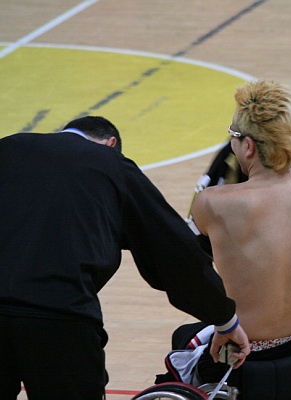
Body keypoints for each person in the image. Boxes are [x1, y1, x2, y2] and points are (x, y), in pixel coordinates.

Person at [0, 116, 249, 400]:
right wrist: (223, 318)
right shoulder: (111, 164)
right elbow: (173, 252)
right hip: (60, 317)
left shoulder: (9, 147)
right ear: (111, 144)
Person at [164, 80, 291, 390]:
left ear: (248, 146)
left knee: (183, 339)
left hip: (242, 355)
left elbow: (188, 270)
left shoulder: (214, 203)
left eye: (232, 135)